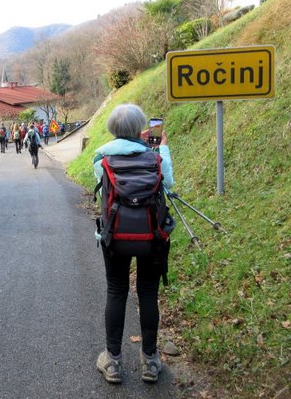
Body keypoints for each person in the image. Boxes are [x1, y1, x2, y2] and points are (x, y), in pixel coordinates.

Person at [93, 104, 174, 384]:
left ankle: (113, 361)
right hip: (151, 237)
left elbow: (102, 186)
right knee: (148, 293)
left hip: (115, 237)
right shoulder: (154, 157)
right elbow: (169, 184)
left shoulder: (102, 158)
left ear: (112, 129)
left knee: (117, 291)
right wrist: (161, 148)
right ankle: (150, 361)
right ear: (140, 129)